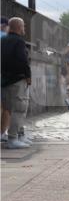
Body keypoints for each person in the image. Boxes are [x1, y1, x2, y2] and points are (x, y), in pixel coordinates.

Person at [1, 17, 31, 148]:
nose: (24, 28)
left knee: (8, 109)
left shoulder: (3, 40)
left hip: (5, 80)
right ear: (19, 27)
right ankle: (13, 139)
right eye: (23, 26)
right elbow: (23, 60)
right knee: (19, 109)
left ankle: (18, 136)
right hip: (18, 79)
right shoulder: (19, 41)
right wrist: (28, 75)